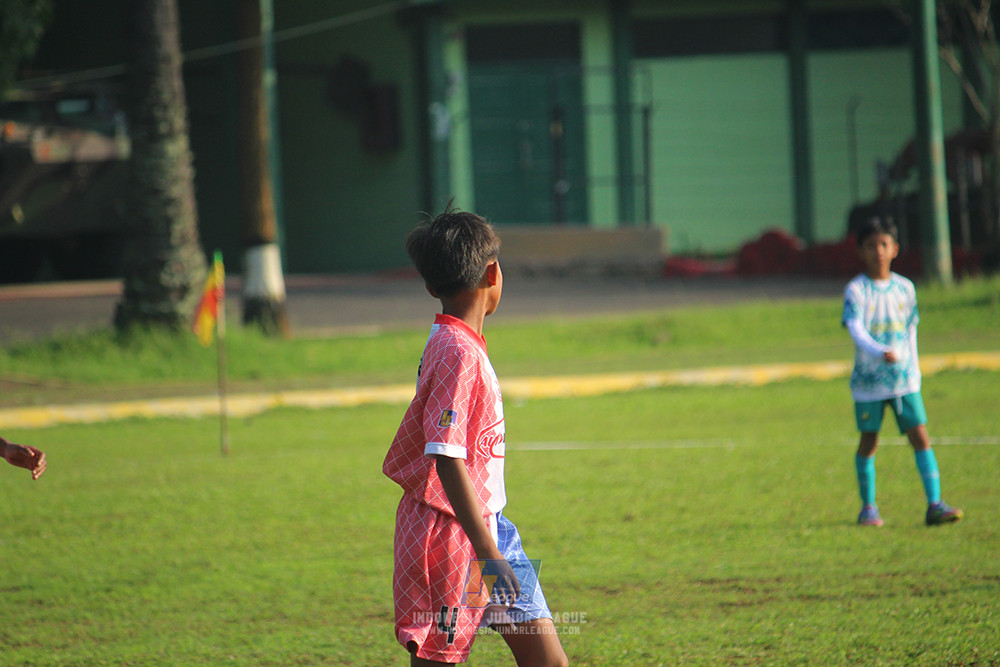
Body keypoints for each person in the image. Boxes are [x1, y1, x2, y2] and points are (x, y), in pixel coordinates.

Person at [383, 210, 568, 666]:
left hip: (492, 528)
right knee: (438, 658)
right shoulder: (457, 351)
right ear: (492, 273)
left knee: (549, 661)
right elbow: (446, 455)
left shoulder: (455, 341)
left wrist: (491, 543)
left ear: (431, 286)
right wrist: (486, 551)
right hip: (452, 533)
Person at [842, 216, 962, 527]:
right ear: (861, 251)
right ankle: (868, 508)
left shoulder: (905, 289)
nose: (878, 251)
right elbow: (855, 328)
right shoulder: (857, 290)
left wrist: (914, 370)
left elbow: (911, 332)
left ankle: (934, 504)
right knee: (869, 440)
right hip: (869, 382)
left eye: (884, 244)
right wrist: (878, 352)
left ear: (895, 248)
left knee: (920, 436)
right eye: (871, 245)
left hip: (903, 380)